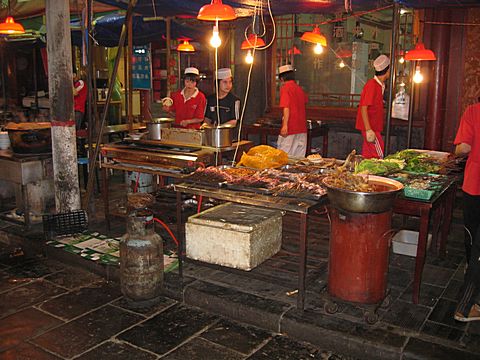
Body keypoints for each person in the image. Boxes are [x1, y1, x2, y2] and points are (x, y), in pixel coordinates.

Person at [453, 101, 480, 322]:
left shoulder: (473, 110)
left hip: (473, 183)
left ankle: (466, 302)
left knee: (472, 235)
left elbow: (464, 148)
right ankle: (467, 305)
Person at [355, 54, 391, 159]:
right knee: (378, 156)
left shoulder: (379, 85)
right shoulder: (372, 85)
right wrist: (368, 129)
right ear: (387, 70)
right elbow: (363, 107)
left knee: (368, 156)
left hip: (373, 126)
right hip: (371, 127)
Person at [276, 64, 308, 158]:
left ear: (282, 78)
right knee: (299, 157)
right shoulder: (299, 89)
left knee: (284, 157)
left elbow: (286, 107)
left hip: (291, 127)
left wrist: (285, 125)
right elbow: (304, 102)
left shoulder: (285, 88)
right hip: (302, 127)